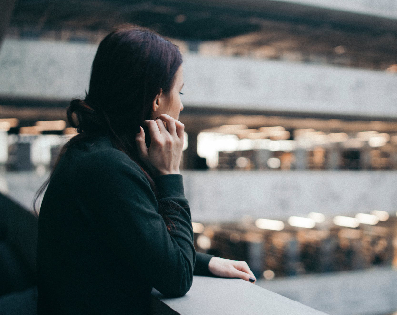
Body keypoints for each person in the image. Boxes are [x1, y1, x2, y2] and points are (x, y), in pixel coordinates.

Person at [36, 27, 255, 315]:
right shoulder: (109, 167)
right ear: (156, 100)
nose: (182, 104)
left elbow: (134, 239)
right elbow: (176, 278)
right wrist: (170, 176)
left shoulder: (92, 152)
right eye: (180, 91)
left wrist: (206, 262)